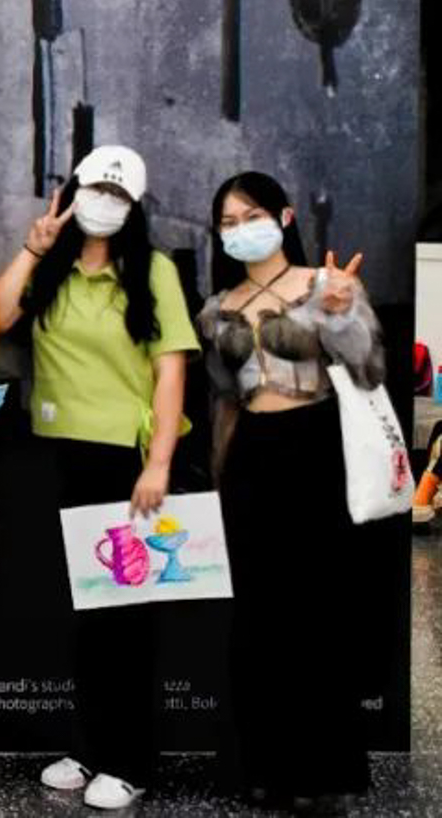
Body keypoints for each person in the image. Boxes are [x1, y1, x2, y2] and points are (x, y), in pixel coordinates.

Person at [0, 145, 198, 812]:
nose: (105, 202)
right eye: (95, 188)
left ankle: (130, 761)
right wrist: (33, 245)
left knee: (125, 621)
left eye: (118, 193)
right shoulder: (53, 267)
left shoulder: (153, 271)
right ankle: (89, 746)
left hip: (123, 464)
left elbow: (171, 368)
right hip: (55, 456)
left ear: (134, 206)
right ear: (73, 192)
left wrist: (158, 462)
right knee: (78, 616)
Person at [198, 172, 379, 814]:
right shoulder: (217, 308)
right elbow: (224, 400)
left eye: (251, 215)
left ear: (285, 216)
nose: (240, 229)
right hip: (251, 456)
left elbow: (369, 368)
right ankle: (263, 767)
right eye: (228, 221)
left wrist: (341, 311)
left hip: (316, 447)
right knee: (257, 616)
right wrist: (218, 477)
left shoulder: (324, 283)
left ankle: (321, 773)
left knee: (318, 611)